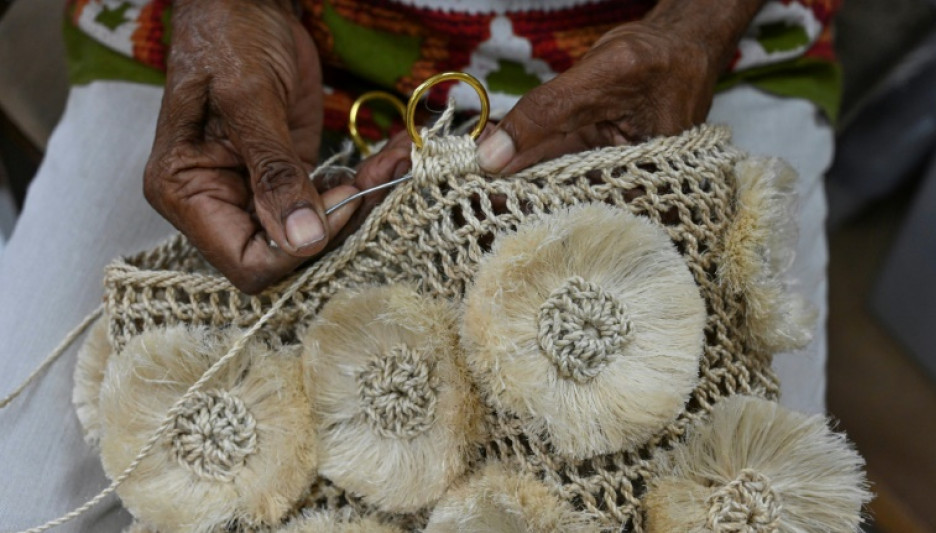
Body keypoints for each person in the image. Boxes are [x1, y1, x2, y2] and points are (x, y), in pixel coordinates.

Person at [0, 0, 839, 530]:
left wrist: (697, 27)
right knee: (21, 495)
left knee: (740, 496)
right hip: (240, 36)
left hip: (671, 51)